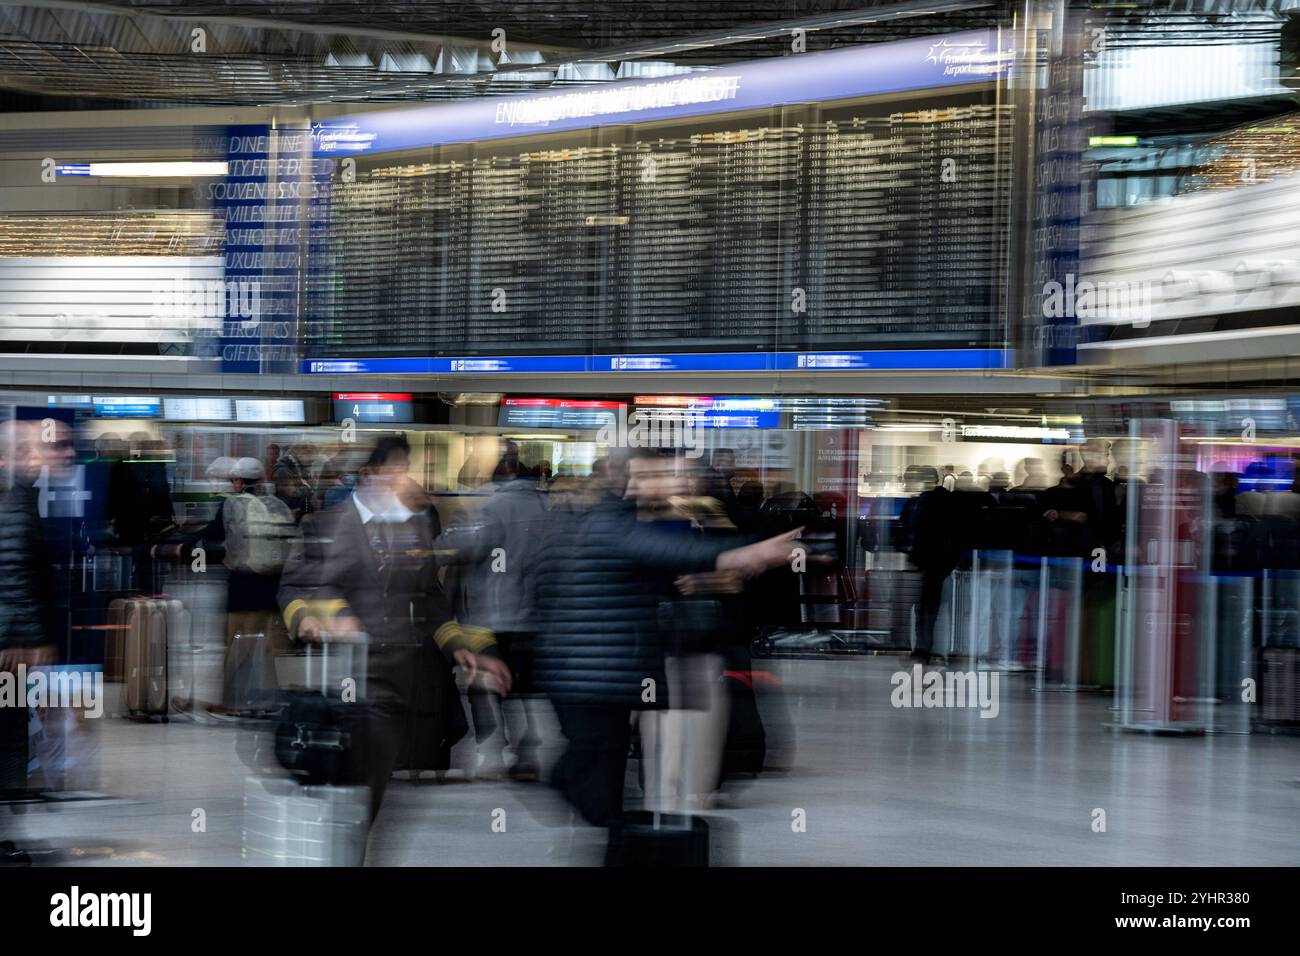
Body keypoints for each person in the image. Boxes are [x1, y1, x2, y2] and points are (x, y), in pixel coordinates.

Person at [534, 447, 809, 849]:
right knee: (599, 788)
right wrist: (746, 553)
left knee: (601, 775)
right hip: (591, 678)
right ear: (628, 479)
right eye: (661, 473)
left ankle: (613, 832)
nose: (678, 481)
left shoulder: (615, 519)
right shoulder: (611, 522)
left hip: (600, 675)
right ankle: (612, 833)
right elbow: (675, 553)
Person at [278, 434, 511, 825]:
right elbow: (295, 586)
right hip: (338, 683)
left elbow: (431, 600)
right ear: (368, 475)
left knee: (371, 800)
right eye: (396, 471)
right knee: (339, 800)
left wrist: (460, 648)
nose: (405, 481)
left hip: (393, 686)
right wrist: (309, 619)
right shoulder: (325, 525)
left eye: (406, 471)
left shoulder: (413, 531)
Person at [439, 441, 548, 780]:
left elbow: (467, 546)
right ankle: (528, 748)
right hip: (533, 615)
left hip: (494, 613)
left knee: (486, 683)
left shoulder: (497, 506)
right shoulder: (547, 505)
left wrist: (436, 544)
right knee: (524, 685)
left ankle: (494, 748)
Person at [0, 420, 56, 865]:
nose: (38, 459)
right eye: (28, 452)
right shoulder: (14, 497)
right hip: (8, 648)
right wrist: (32, 639)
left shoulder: (20, 494)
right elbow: (16, 570)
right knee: (9, 733)